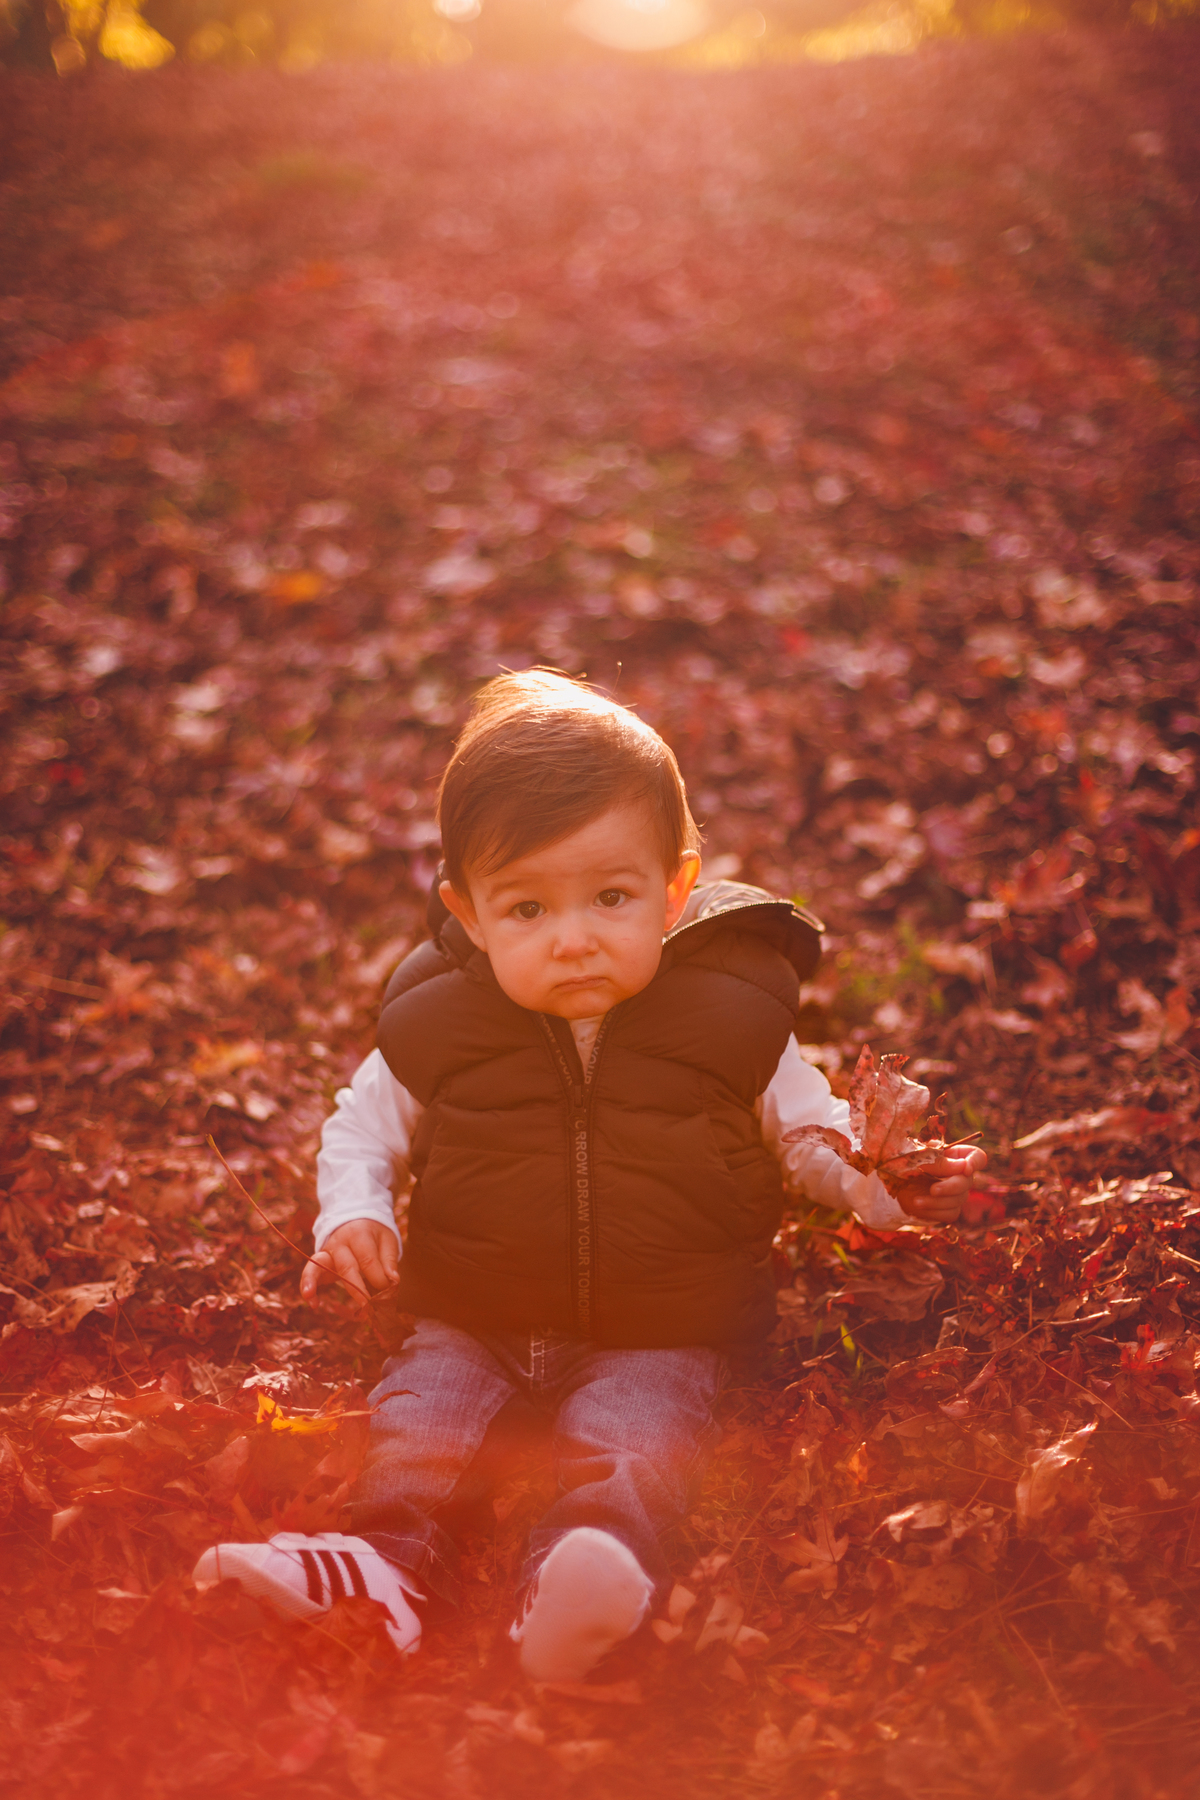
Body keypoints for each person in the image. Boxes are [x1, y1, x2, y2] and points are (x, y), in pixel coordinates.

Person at [193, 671, 983, 1680]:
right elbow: (363, 1127)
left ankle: (580, 1576)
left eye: (611, 898)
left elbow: (810, 1138)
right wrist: (353, 1213)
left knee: (638, 1435)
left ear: (674, 889)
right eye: (527, 906)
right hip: (473, 1309)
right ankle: (382, 1567)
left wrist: (888, 1186)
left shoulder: (731, 1017)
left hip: (658, 1320)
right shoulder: (439, 1020)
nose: (573, 937)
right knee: (424, 1420)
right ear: (469, 915)